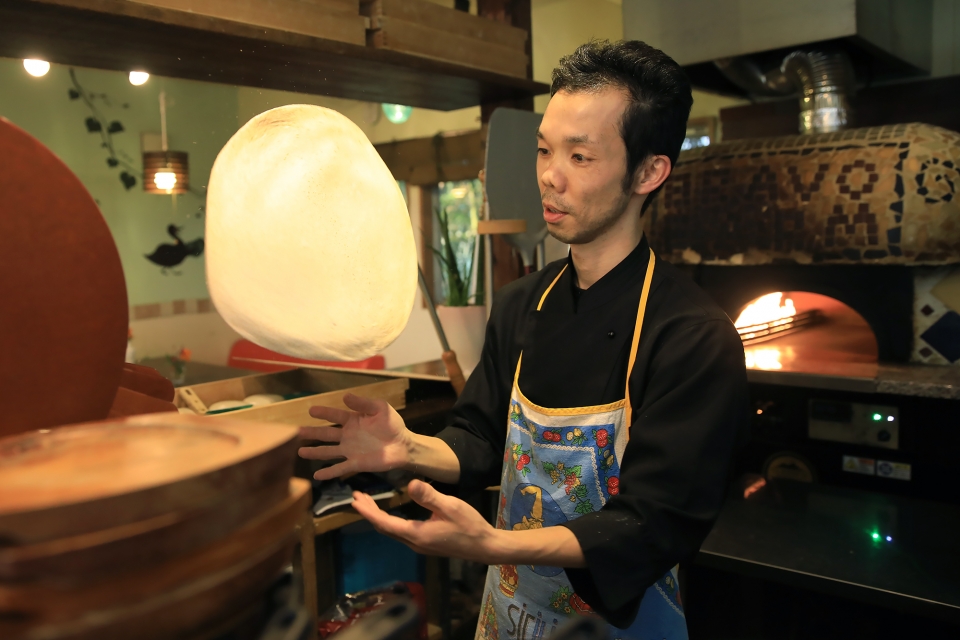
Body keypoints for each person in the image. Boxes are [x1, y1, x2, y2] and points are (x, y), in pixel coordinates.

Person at [299, 39, 748, 640]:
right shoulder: (521, 303)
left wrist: (494, 542)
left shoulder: (693, 337)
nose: (548, 176)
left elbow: (651, 524)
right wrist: (408, 448)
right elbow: (483, 439)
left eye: (580, 157)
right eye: (543, 150)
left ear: (649, 171)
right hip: (509, 617)